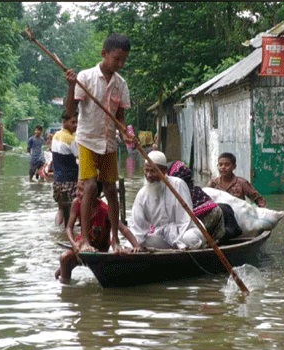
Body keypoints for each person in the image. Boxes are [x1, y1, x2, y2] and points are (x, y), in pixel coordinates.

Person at [65, 33, 133, 253]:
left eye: (124, 61)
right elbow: (69, 111)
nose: (120, 64)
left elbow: (120, 117)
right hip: (87, 140)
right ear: (104, 54)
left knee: (111, 189)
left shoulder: (121, 85)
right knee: (91, 186)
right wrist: (70, 85)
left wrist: (125, 134)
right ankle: (84, 239)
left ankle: (115, 241)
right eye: (116, 59)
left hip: (109, 143)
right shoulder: (85, 78)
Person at [56, 180, 141, 284]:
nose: (77, 193)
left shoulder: (105, 209)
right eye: (76, 189)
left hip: (99, 250)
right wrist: (73, 244)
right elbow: (69, 227)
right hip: (81, 248)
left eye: (81, 190)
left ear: (94, 191)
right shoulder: (76, 203)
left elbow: (123, 229)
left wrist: (136, 246)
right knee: (64, 258)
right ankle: (65, 288)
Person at [130, 152, 202, 250]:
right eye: (146, 170)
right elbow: (137, 227)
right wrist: (135, 245)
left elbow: (185, 221)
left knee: (190, 239)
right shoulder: (142, 194)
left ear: (164, 171)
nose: (148, 175)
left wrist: (178, 242)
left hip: (185, 232)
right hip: (163, 237)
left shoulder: (178, 185)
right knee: (139, 241)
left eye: (153, 171)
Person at [165, 153, 227, 243]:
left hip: (207, 217)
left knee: (185, 237)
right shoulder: (191, 187)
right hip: (215, 214)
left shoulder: (179, 190)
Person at [51, 110, 79, 226]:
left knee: (61, 209)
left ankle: (58, 231)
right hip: (70, 181)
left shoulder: (55, 136)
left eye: (76, 122)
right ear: (64, 122)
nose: (75, 125)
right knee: (75, 210)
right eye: (73, 122)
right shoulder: (71, 139)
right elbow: (80, 160)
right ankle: (69, 234)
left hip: (57, 181)